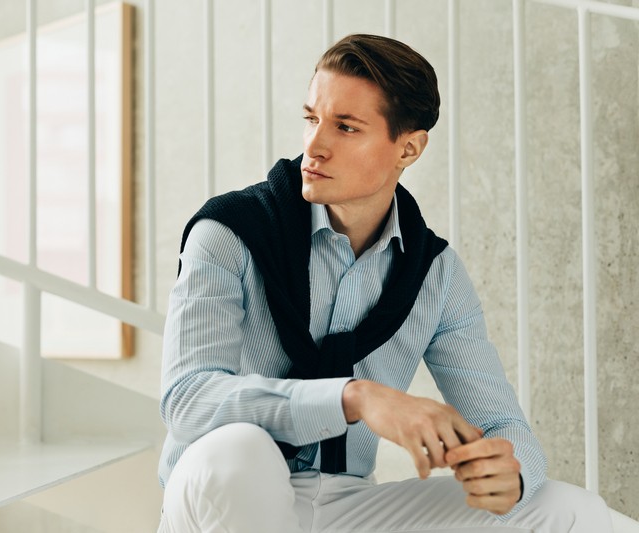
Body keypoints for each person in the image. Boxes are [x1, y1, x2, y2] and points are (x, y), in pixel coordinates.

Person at [157, 34, 612, 532]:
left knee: (571, 510)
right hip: (219, 493)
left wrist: (509, 473)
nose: (314, 146)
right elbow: (188, 400)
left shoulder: (434, 273)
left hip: (344, 503)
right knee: (240, 450)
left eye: (345, 127)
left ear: (409, 148)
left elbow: (504, 426)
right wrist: (355, 398)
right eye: (311, 119)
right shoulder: (229, 233)